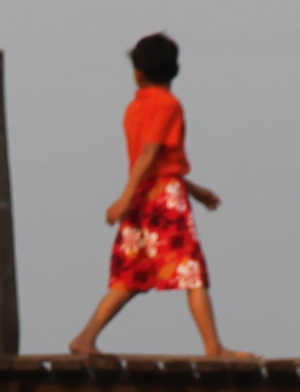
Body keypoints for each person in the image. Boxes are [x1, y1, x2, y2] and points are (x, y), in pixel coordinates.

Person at [71, 32, 249, 360]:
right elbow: (151, 152)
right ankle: (213, 348)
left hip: (146, 193)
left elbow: (155, 160)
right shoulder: (169, 104)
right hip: (161, 197)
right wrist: (124, 197)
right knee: (192, 270)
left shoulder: (135, 107)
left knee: (131, 275)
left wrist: (192, 190)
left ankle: (85, 338)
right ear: (176, 70)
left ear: (138, 73)